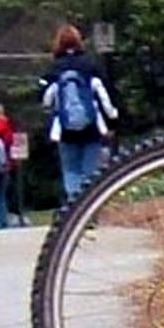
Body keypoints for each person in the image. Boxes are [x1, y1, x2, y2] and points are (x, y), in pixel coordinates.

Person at [40, 24, 119, 202]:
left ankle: (73, 206)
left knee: (70, 169)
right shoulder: (90, 65)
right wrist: (111, 123)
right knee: (90, 170)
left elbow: (45, 99)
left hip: (65, 128)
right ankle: (87, 209)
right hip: (92, 126)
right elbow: (105, 97)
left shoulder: (54, 68)